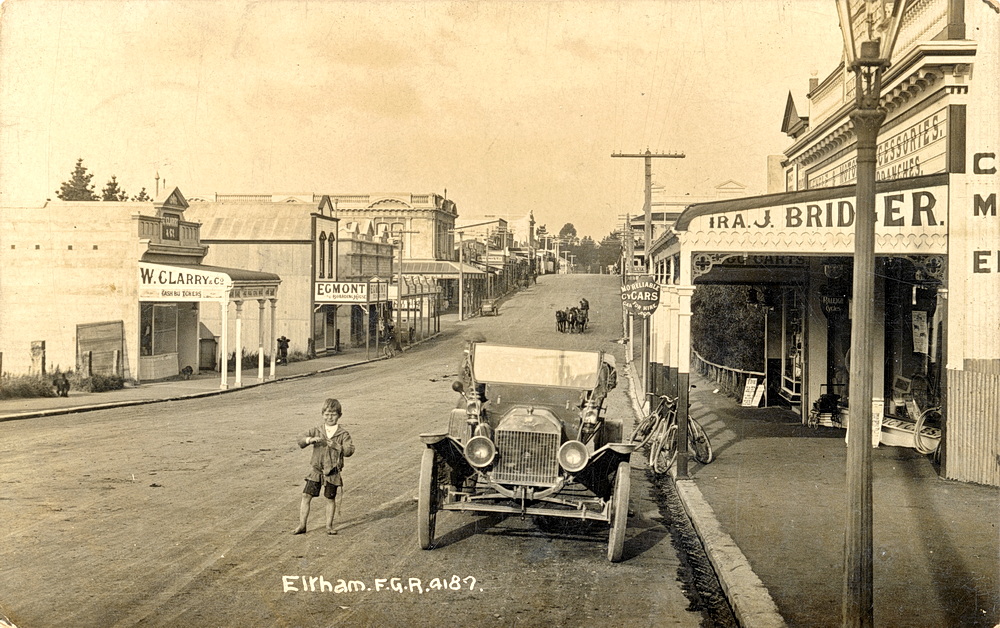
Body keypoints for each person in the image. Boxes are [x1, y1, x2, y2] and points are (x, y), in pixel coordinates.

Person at [292, 398, 355, 535]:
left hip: (332, 473)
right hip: (316, 471)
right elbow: (300, 438)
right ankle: (302, 525)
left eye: (333, 414)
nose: (330, 417)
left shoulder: (343, 434)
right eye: (327, 414)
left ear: (339, 415)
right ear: (322, 415)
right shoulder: (317, 430)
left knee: (330, 498)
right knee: (306, 495)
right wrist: (310, 440)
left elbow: (350, 450)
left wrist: (337, 446)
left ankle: (329, 526)